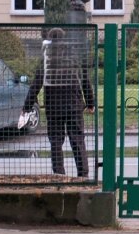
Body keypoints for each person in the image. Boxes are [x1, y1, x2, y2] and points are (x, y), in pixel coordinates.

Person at [24, 27, 96, 178]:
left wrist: (27, 106)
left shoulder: (47, 58)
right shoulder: (74, 55)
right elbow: (85, 81)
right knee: (77, 140)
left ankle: (59, 174)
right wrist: (90, 102)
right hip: (73, 105)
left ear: (49, 40)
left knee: (56, 141)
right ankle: (83, 174)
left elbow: (37, 83)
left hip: (54, 107)